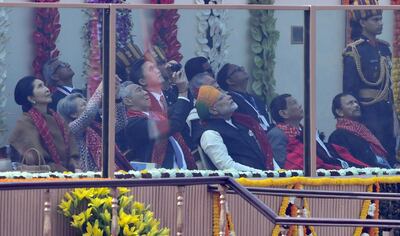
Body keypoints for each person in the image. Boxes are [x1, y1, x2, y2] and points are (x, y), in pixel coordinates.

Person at [343, 0, 398, 166]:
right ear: (362, 23)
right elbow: (349, 89)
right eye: (375, 20)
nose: (380, 24)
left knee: (389, 150)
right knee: (374, 156)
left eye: (380, 19)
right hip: (367, 112)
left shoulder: (384, 48)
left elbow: (388, 86)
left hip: (385, 110)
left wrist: (394, 115)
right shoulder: (355, 51)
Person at [268, 94, 366, 170]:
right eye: (294, 103)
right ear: (283, 113)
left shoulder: (306, 132)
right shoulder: (277, 134)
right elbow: (281, 166)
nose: (300, 105)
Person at [117, 81, 196, 169]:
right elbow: (174, 125)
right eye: (139, 90)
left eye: (143, 89)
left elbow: (180, 108)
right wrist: (182, 92)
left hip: (180, 170)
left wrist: (183, 88)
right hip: (160, 176)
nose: (146, 92)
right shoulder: (133, 124)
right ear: (128, 101)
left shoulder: (156, 116)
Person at [57, 79, 132, 172]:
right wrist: (101, 88)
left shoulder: (95, 125)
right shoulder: (72, 128)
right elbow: (89, 112)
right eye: (83, 105)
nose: (88, 106)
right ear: (73, 114)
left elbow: (121, 123)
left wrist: (117, 97)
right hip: (89, 177)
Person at [9, 76, 79, 172]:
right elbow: (36, 158)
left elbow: (72, 148)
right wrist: (58, 169)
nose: (47, 89)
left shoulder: (57, 119)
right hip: (42, 180)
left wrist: (74, 165)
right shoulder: (25, 122)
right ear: (31, 98)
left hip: (67, 174)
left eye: (44, 85)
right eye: (40, 86)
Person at [196, 85, 274, 171]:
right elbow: (227, 167)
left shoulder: (241, 123)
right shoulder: (209, 134)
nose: (229, 97)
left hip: (266, 177)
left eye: (226, 94)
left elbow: (266, 153)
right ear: (213, 110)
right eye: (221, 98)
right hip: (243, 183)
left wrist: (278, 173)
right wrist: (263, 174)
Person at [329, 93, 392, 168]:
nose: (356, 105)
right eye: (350, 103)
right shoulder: (338, 136)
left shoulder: (366, 130)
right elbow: (347, 162)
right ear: (340, 112)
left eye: (356, 102)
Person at [217, 63, 271, 131]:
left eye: (241, 67)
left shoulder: (255, 98)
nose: (243, 70)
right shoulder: (230, 101)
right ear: (230, 81)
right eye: (238, 69)